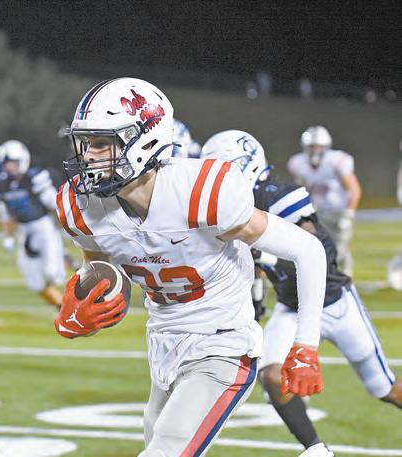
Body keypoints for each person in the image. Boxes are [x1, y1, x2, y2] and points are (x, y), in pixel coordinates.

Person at [55, 78, 327, 457]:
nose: (88, 156)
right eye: (85, 143)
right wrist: (82, 302)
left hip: (223, 344)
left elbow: (308, 249)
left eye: (101, 143)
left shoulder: (201, 192)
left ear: (143, 140)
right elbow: (100, 267)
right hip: (163, 344)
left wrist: (306, 345)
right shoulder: (81, 206)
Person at [201, 130, 401, 457]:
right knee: (272, 376)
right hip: (291, 307)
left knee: (385, 389)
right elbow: (253, 266)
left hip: (334, 302)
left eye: (221, 170)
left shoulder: (277, 196)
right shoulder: (229, 209)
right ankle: (315, 449)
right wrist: (253, 298)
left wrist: (262, 256)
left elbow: (315, 249)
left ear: (245, 166)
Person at [0, 140, 66, 308]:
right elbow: (7, 215)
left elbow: (55, 205)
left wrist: (68, 227)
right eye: (6, 163)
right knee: (33, 278)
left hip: (44, 227)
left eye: (13, 162)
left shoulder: (35, 179)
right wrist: (8, 237)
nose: (10, 167)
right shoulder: (0, 185)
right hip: (24, 231)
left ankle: (67, 264)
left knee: (52, 274)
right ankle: (61, 307)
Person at [287, 126, 362, 276]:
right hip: (319, 212)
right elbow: (304, 189)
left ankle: (345, 277)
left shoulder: (337, 161)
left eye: (319, 146)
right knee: (319, 247)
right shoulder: (298, 163)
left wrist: (349, 213)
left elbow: (354, 190)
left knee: (340, 249)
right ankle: (327, 277)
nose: (316, 150)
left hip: (339, 211)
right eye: (312, 146)